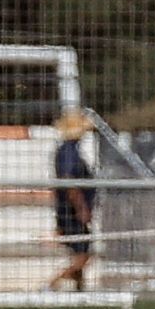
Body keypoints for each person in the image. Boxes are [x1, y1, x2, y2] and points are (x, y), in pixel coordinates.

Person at [48, 110, 97, 291]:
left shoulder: (69, 151)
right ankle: (54, 283)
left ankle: (80, 288)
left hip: (68, 209)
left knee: (81, 251)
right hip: (71, 211)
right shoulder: (69, 152)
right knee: (83, 255)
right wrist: (81, 208)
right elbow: (70, 183)